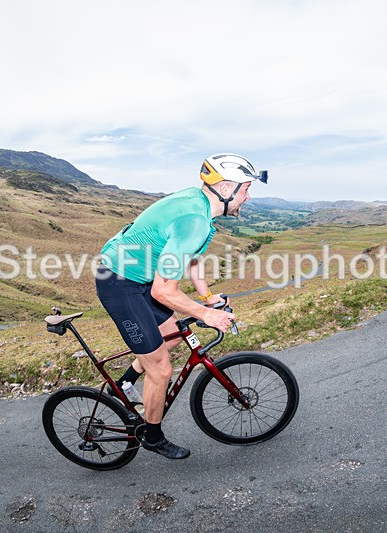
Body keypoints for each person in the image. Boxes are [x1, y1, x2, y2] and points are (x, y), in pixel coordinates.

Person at [95, 153, 268, 459]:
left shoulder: (199, 204)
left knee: (173, 334)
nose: (248, 197)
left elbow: (191, 256)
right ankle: (152, 436)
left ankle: (123, 384)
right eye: (246, 189)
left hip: (138, 277)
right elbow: (164, 291)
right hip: (119, 282)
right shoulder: (194, 220)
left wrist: (207, 297)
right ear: (225, 189)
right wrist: (207, 314)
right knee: (161, 369)